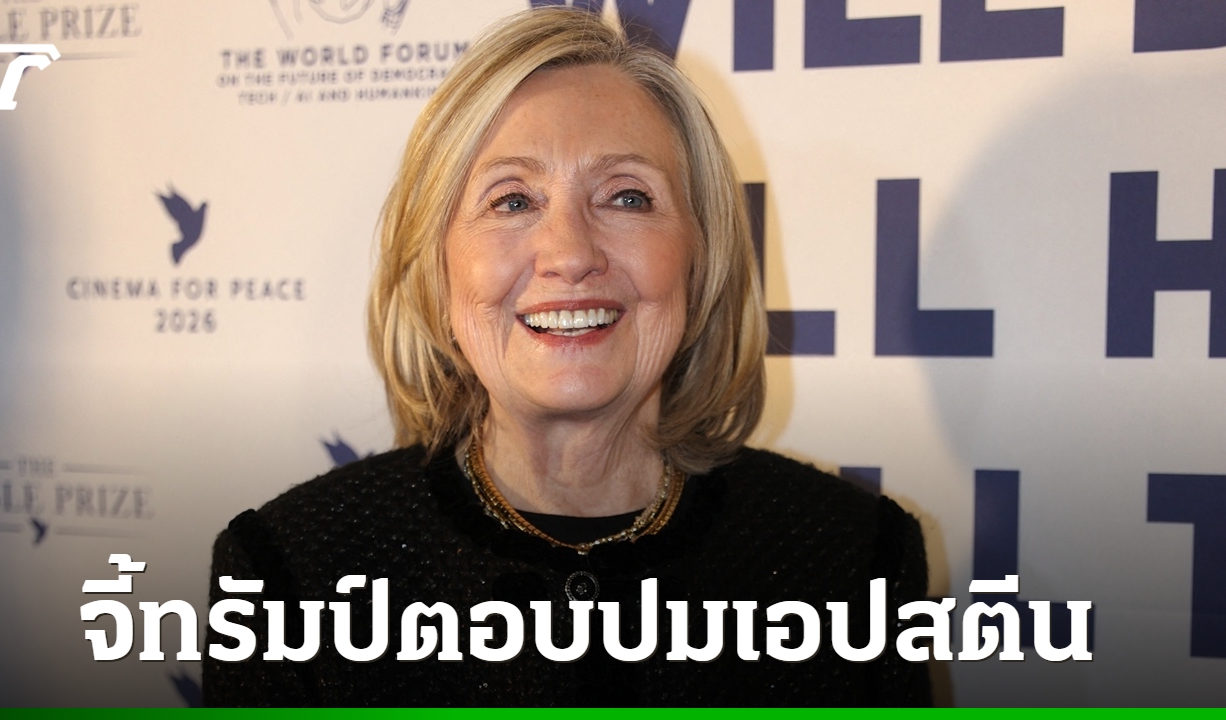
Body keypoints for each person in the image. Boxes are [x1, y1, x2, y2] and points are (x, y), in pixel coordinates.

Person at [204, 6, 931, 706]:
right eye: (513, 201)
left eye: (627, 197)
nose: (571, 254)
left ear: (700, 256)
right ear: (438, 267)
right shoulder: (289, 572)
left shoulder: (853, 560)